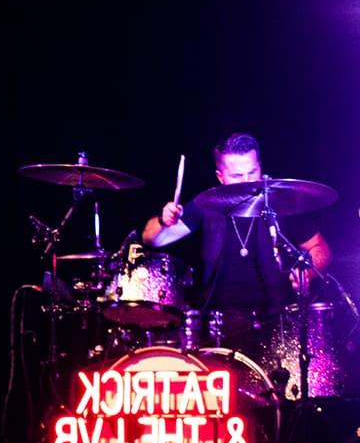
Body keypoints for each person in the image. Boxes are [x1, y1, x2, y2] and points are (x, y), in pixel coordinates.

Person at [142, 132, 332, 350]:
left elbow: (321, 249)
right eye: (237, 176)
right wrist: (163, 221)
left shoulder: (280, 203)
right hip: (218, 327)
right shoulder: (207, 204)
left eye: (252, 172)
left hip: (277, 322)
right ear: (220, 177)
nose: (246, 182)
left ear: (260, 166)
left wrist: (306, 273)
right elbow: (151, 239)